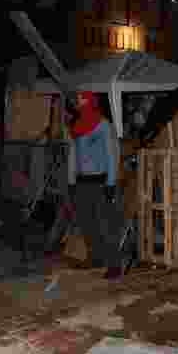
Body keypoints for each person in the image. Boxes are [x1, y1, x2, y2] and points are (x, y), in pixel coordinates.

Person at [68, 91, 127, 279]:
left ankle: (115, 265)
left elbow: (111, 154)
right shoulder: (77, 126)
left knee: (106, 225)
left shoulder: (103, 125)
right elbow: (73, 154)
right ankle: (95, 258)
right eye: (77, 99)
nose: (78, 102)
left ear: (91, 101)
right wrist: (71, 180)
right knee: (88, 224)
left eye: (82, 98)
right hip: (82, 182)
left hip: (101, 182)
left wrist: (111, 183)